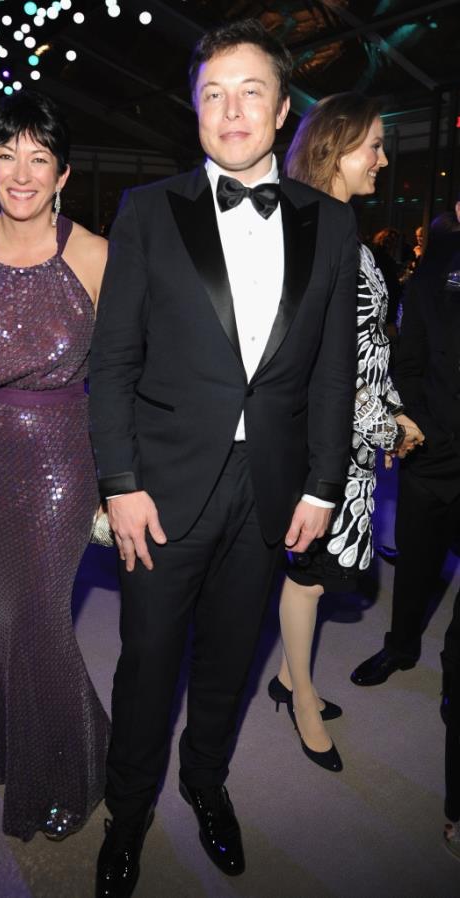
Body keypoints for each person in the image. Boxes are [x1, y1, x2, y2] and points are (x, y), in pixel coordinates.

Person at [89, 19, 360, 897]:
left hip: (273, 490)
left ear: (283, 111)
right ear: (196, 110)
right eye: (213, 93)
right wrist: (120, 484)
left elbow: (330, 372)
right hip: (162, 491)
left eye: (250, 92)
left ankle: (207, 784)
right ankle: (126, 815)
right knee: (148, 661)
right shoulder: (146, 211)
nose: (231, 109)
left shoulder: (332, 223)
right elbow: (114, 365)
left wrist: (323, 487)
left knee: (230, 660)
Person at [0, 91, 110, 841]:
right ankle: (23, 748)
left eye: (39, 156)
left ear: (64, 172)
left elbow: (126, 373)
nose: (22, 171)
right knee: (10, 619)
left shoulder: (97, 255)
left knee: (41, 615)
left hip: (63, 454)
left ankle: (70, 762)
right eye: (7, 154)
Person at [264, 93, 425, 775]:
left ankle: (285, 673)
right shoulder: (310, 234)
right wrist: (381, 421)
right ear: (335, 146)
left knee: (322, 578)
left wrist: (392, 411)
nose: (384, 160)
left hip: (353, 437)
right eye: (374, 145)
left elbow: (362, 349)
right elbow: (310, 366)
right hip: (321, 444)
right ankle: (301, 697)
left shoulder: (338, 228)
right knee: (310, 576)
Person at [349, 229, 460, 857]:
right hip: (434, 445)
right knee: (415, 563)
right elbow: (407, 353)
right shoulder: (438, 262)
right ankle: (400, 648)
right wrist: (414, 423)